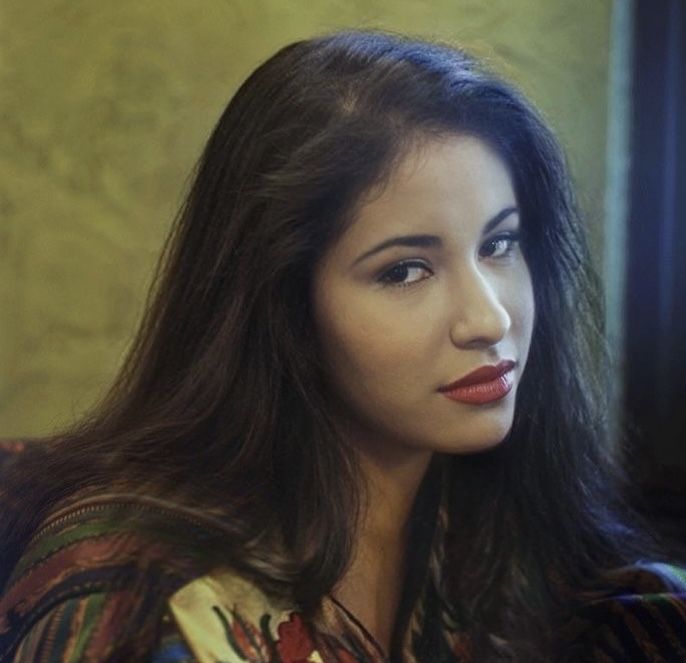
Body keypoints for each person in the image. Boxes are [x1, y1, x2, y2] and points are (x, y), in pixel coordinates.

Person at [1, 30, 685, 663]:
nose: (487, 317)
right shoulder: (137, 599)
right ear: (285, 303)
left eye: (499, 244)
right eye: (404, 270)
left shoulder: (498, 530)